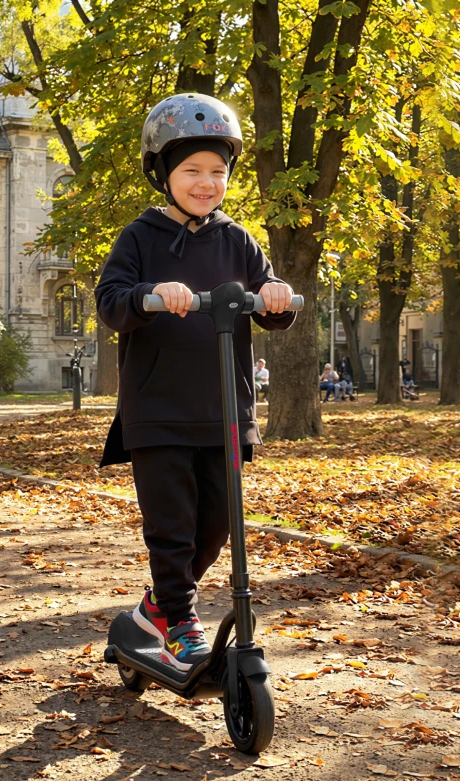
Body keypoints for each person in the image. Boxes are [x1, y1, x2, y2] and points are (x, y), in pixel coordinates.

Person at [95, 93, 295, 672]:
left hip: (223, 408)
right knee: (172, 524)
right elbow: (111, 303)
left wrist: (277, 297)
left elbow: (270, 305)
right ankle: (180, 619)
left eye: (217, 171)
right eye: (192, 171)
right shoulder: (141, 238)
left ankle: (155, 608)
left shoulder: (238, 241)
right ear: (163, 172)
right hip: (157, 411)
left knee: (215, 526)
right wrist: (150, 298)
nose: (206, 183)